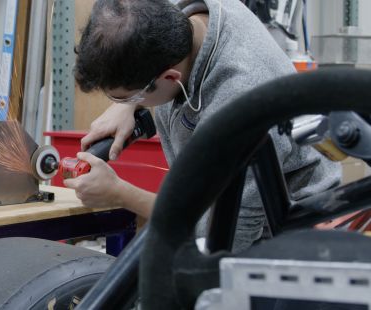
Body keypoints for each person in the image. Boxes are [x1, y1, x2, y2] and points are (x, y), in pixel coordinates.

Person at [64, 0, 341, 251]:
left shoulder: (238, 100)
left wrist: (120, 193)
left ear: (170, 77)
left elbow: (223, 237)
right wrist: (127, 105)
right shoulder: (176, 18)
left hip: (285, 237)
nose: (121, 102)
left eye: (126, 95)